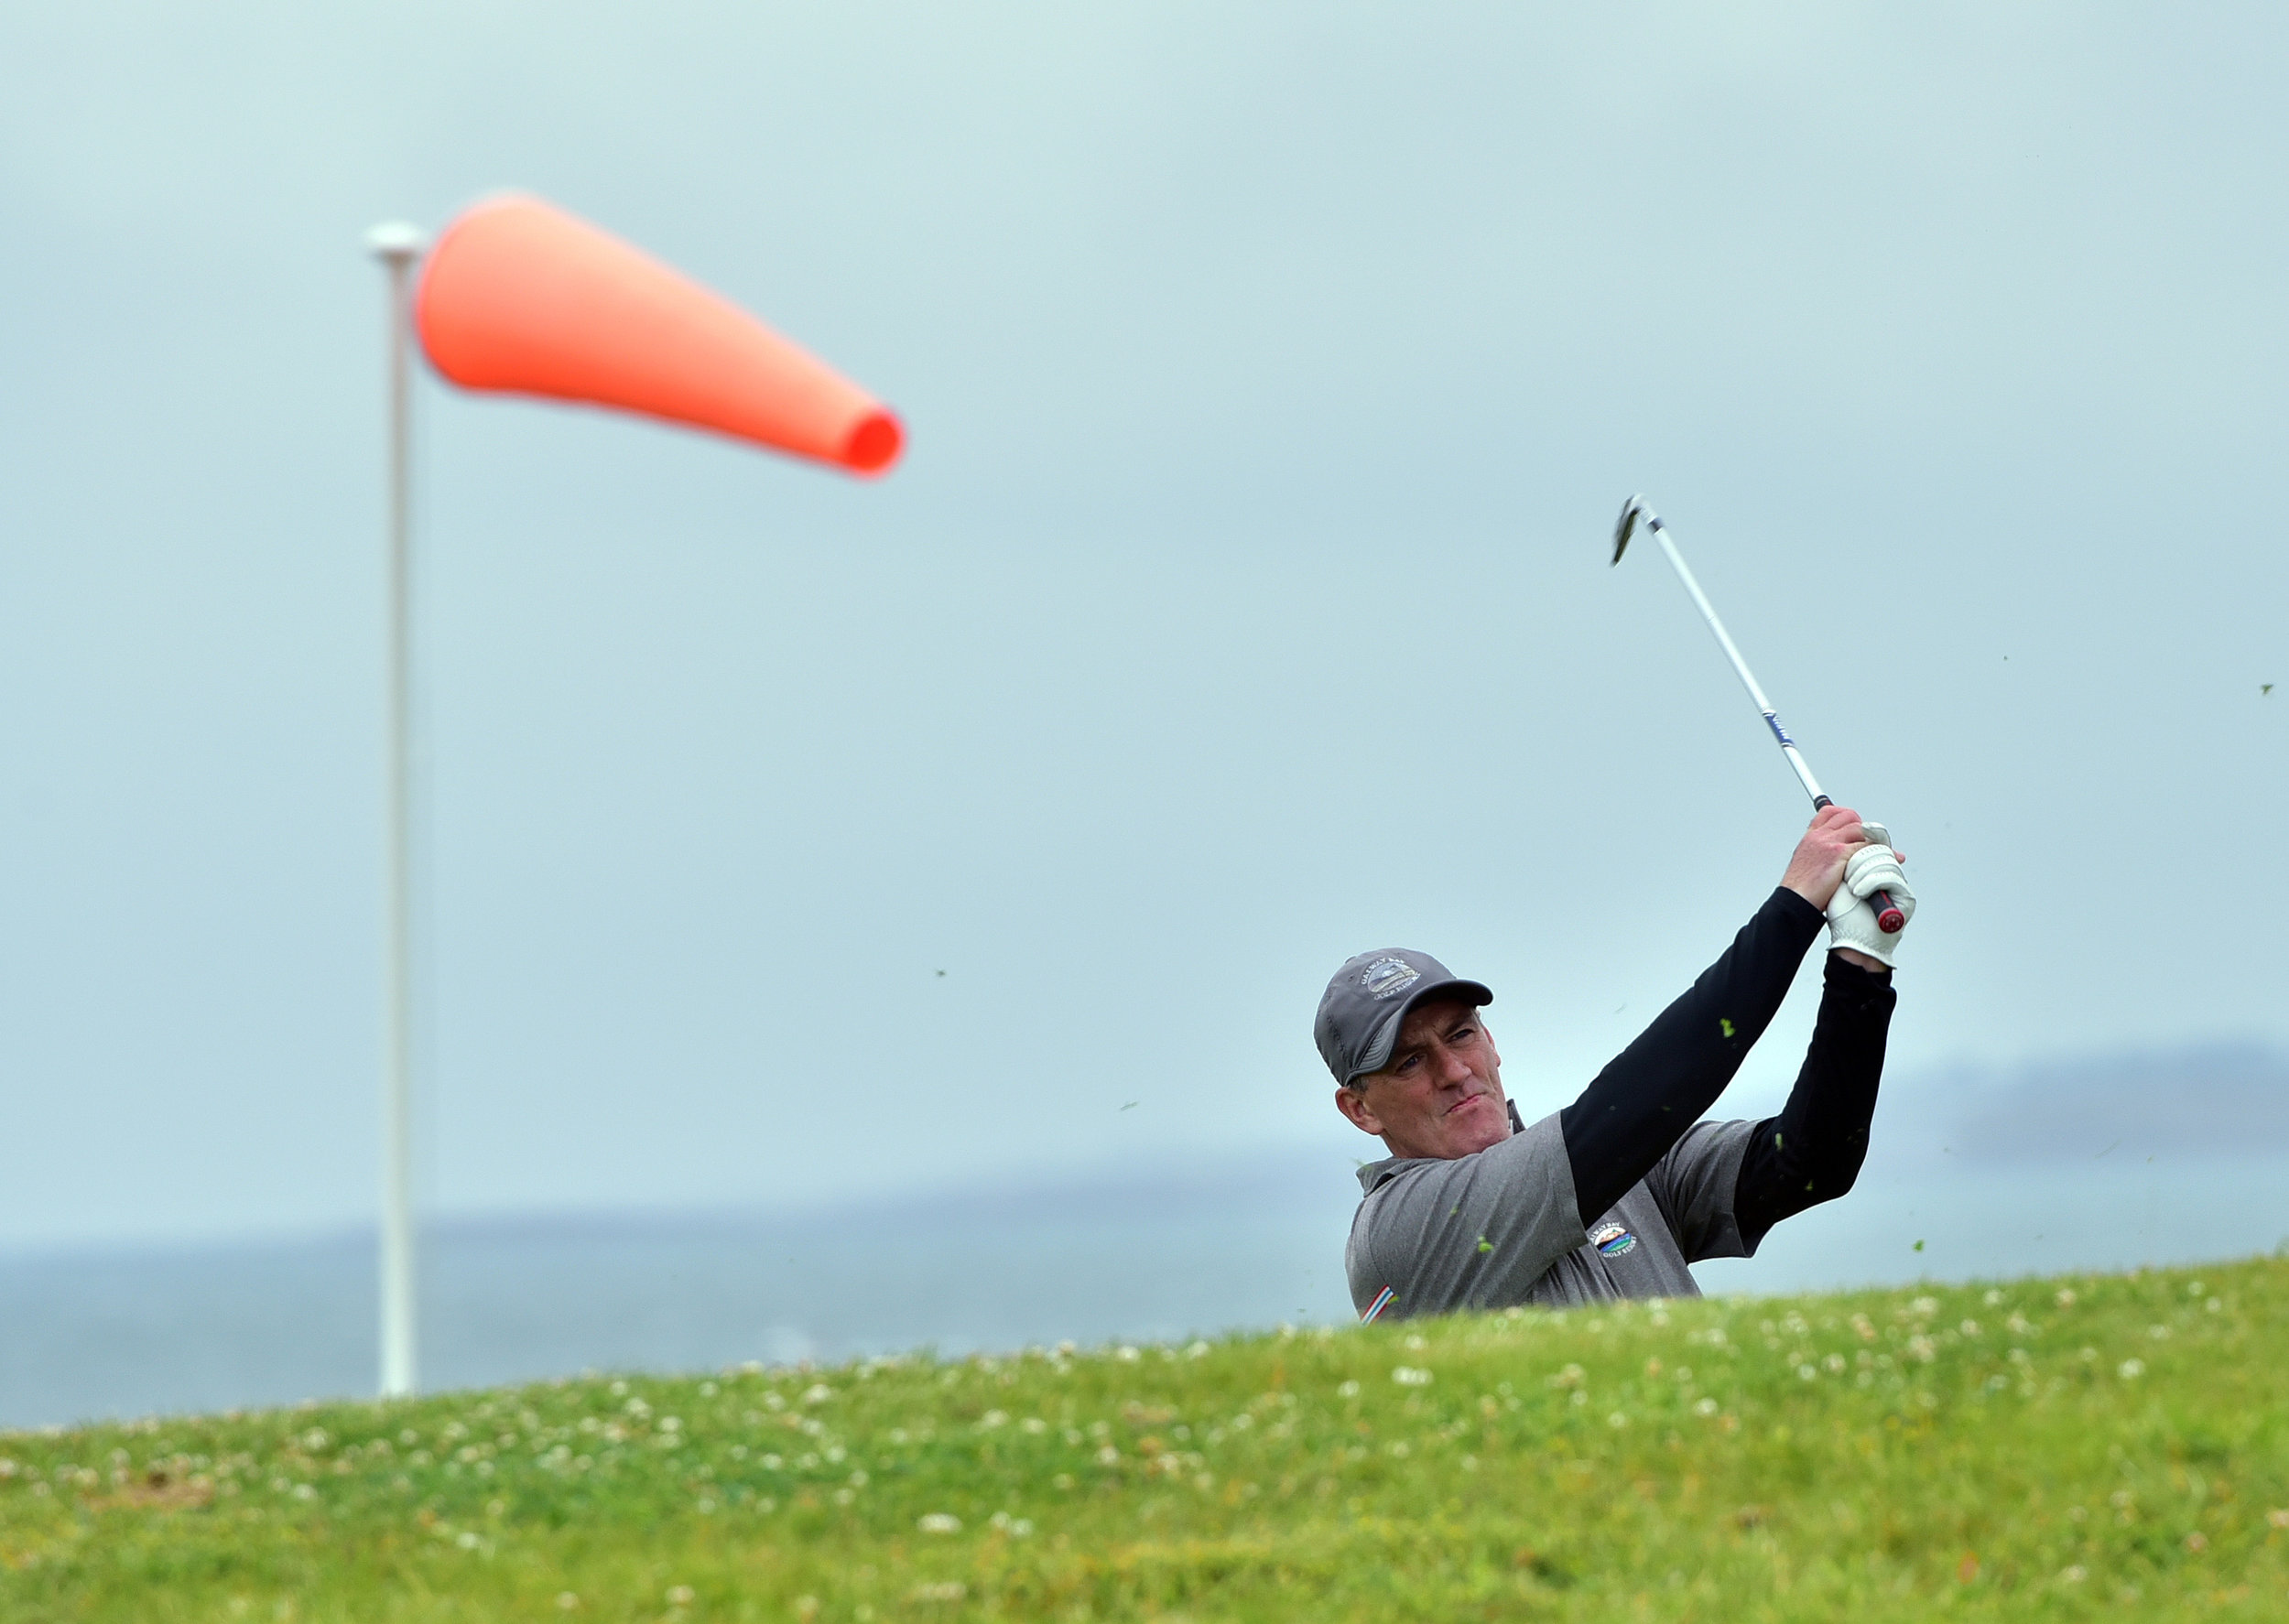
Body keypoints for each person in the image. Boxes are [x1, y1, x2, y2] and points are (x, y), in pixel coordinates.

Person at [1318, 804, 1912, 1320]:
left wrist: (1859, 966)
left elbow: (1812, 1162)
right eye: (1409, 1063)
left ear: (1492, 1041)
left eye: (1461, 1034)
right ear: (1360, 1110)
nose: (1453, 1070)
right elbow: (1650, 1092)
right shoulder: (1398, 1229)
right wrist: (1794, 907)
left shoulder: (1611, 1165)